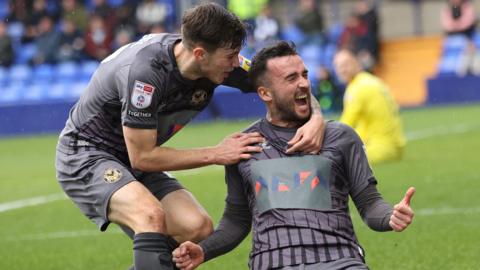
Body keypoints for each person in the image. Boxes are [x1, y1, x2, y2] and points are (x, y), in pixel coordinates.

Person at [55, 3, 325, 270]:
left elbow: (284, 82)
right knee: (149, 216)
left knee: (197, 228)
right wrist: (216, 153)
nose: (237, 63)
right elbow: (143, 157)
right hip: (86, 153)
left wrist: (315, 118)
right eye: (230, 56)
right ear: (200, 54)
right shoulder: (146, 74)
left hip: (132, 153)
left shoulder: (218, 60)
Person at [172, 41, 415, 270]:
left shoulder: (341, 137)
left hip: (340, 261)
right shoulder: (243, 146)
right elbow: (236, 220)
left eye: (304, 75)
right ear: (265, 93)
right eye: (291, 78)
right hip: (273, 263)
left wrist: (389, 216)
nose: (304, 84)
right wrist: (204, 250)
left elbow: (370, 203)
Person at [334, 49, 405, 164]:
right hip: (396, 149)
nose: (342, 69)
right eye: (337, 66)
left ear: (357, 63)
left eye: (346, 64)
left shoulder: (357, 88)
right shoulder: (373, 81)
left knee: (333, 162)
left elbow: (344, 127)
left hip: (379, 150)